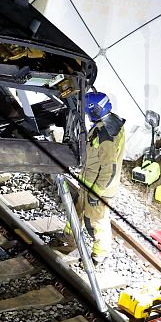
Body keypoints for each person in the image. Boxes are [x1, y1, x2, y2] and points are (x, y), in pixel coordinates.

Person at [65, 91, 126, 265]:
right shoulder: (107, 123)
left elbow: (109, 169)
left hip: (98, 188)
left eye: (87, 111)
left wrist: (95, 193)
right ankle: (69, 237)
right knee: (76, 208)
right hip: (89, 182)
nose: (86, 114)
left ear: (95, 110)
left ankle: (100, 255)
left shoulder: (107, 134)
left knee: (96, 221)